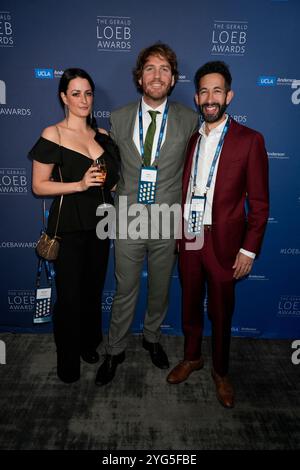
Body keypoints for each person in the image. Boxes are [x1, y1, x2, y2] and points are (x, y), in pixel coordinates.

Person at [166, 61, 269, 408]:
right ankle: (192, 356)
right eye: (205, 91)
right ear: (197, 97)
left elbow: (259, 204)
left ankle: (221, 371)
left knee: (222, 311)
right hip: (191, 235)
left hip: (225, 243)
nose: (211, 98)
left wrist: (249, 251)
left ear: (229, 95)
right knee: (190, 302)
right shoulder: (193, 139)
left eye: (217, 90)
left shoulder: (250, 140)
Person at [95, 43, 198, 386]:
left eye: (164, 69)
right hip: (127, 216)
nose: (157, 75)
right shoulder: (120, 117)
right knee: (125, 287)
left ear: (172, 79)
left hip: (167, 217)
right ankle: (115, 349)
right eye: (150, 68)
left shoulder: (189, 118)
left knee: (158, 288)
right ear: (139, 77)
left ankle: (152, 338)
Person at [29, 68, 119, 383]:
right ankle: (68, 362)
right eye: (76, 93)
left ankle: (87, 343)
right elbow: (39, 186)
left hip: (101, 224)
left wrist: (112, 184)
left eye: (88, 93)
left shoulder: (103, 136)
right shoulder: (53, 133)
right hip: (68, 226)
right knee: (69, 297)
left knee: (92, 291)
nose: (84, 99)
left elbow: (114, 182)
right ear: (64, 97)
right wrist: (79, 185)